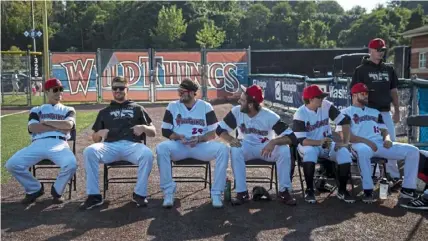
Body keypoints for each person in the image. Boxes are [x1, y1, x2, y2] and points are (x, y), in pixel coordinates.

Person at [80, 76, 156, 210]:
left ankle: (139, 194)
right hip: (110, 146)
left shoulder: (137, 108)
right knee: (89, 151)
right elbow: (95, 138)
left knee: (148, 154)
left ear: (127, 89)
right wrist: (99, 133)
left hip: (132, 145)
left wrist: (144, 128)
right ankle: (94, 196)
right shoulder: (104, 112)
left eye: (121, 88)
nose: (118, 91)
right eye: (115, 88)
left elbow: (153, 132)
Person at [336, 83, 420, 203]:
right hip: (359, 144)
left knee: (413, 151)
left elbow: (384, 130)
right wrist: (368, 142)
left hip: (379, 144)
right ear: (354, 95)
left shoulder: (375, 112)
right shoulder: (345, 112)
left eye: (367, 93)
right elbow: (346, 136)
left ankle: (408, 189)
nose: (366, 96)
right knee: (363, 151)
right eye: (363, 93)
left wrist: (387, 139)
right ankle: (368, 190)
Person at [217, 84, 298, 206]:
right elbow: (219, 130)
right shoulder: (237, 112)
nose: (239, 101)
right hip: (246, 146)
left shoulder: (269, 116)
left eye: (243, 100)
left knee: (284, 149)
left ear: (250, 105)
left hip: (266, 148)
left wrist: (274, 141)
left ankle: (284, 191)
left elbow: (292, 137)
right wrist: (230, 139)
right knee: (235, 149)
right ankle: (242, 193)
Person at [157, 78, 229, 208]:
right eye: (179, 91)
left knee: (223, 149)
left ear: (191, 93)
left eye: (182, 92)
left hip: (200, 146)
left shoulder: (205, 106)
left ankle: (217, 193)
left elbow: (213, 133)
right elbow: (165, 131)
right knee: (161, 148)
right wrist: (179, 137)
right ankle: (168, 191)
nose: (179, 94)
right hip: (180, 145)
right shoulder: (173, 106)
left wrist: (199, 138)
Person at [5, 78, 77, 204]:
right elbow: (33, 127)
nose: (58, 92)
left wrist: (46, 122)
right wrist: (58, 126)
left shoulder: (68, 109)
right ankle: (34, 188)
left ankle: (57, 190)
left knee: (71, 164)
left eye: (61, 89)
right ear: (46, 92)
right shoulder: (37, 109)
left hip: (59, 144)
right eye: (55, 89)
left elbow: (68, 125)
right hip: (38, 143)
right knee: (12, 164)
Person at [351, 38, 402, 187]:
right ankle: (374, 175)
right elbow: (354, 92)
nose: (380, 52)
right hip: (368, 112)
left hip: (385, 111)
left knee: (390, 141)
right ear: (370, 51)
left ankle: (393, 176)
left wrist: (397, 110)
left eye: (382, 50)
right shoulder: (361, 70)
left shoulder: (389, 69)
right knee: (371, 142)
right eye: (378, 50)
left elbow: (393, 90)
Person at [292, 84, 355, 204]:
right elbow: (302, 141)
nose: (322, 99)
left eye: (322, 97)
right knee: (310, 152)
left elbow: (344, 121)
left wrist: (345, 142)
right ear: (310, 99)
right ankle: (310, 190)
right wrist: (319, 142)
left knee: (344, 153)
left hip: (327, 142)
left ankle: (342, 190)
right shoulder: (300, 113)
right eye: (319, 97)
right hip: (309, 145)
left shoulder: (326, 105)